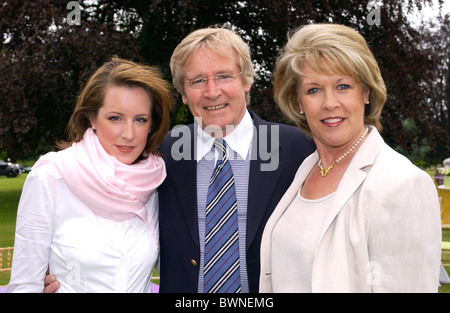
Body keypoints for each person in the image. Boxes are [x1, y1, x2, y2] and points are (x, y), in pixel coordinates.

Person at [259, 23, 442, 293]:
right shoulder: (304, 170)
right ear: (298, 102)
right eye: (313, 90)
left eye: (343, 86)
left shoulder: (402, 184)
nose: (330, 103)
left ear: (365, 93)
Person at [157, 27, 315, 293]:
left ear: (246, 81)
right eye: (197, 81)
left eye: (223, 76)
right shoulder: (164, 154)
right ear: (183, 93)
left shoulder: (297, 151)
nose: (212, 91)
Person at [8, 57, 173, 292]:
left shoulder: (153, 182)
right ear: (92, 119)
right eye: (115, 118)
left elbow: (174, 267)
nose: (129, 133)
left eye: (140, 120)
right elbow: (24, 285)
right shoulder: (50, 179)